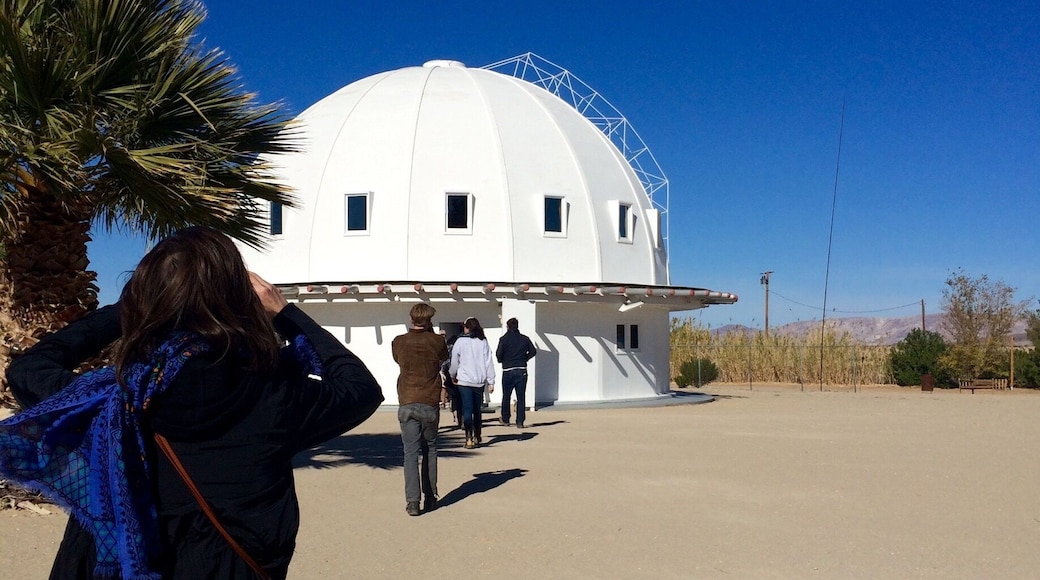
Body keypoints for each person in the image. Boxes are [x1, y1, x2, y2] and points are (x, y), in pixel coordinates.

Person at [0, 227, 384, 579]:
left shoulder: (108, 401)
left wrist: (131, 309)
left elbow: (29, 368)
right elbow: (360, 388)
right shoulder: (272, 395)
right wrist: (286, 314)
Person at [391, 303, 449, 516]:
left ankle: (412, 501)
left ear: (411, 318)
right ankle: (430, 496)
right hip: (429, 400)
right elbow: (443, 357)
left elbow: (397, 359)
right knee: (430, 449)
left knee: (410, 453)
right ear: (429, 320)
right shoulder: (437, 341)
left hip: (407, 399)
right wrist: (432, 333)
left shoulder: (399, 342)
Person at [448, 317, 495, 449]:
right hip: (479, 381)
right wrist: (491, 381)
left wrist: (452, 374)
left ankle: (468, 437)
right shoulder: (483, 341)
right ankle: (478, 434)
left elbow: (454, 361)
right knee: (477, 409)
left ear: (467, 327)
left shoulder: (460, 341)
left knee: (467, 409)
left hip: (464, 380)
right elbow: (488, 362)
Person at [495, 317, 537, 428]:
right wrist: (525, 358)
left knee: (506, 396)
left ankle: (505, 418)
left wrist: (503, 360)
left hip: (508, 370)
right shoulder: (524, 339)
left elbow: (498, 355)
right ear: (517, 326)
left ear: (507, 327)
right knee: (521, 396)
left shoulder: (504, 339)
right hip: (521, 369)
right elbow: (533, 351)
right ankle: (520, 421)